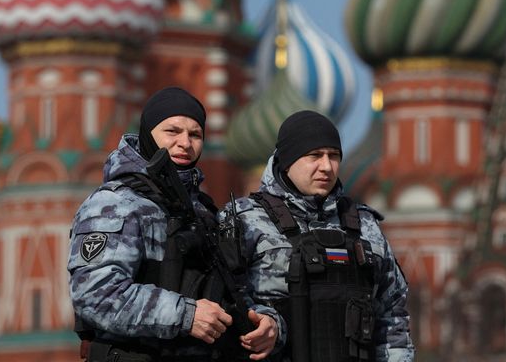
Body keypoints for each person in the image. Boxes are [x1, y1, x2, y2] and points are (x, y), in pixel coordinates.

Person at [68, 87, 280, 362]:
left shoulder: (202, 210)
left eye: (195, 135)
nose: (185, 143)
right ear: (148, 135)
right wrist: (185, 315)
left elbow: (228, 288)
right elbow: (95, 294)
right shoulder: (115, 204)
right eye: (172, 131)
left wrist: (267, 323)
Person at [222, 110, 415, 362]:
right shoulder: (243, 220)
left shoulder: (364, 225)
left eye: (333, 156)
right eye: (314, 155)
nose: (326, 166)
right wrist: (269, 324)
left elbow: (392, 314)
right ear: (288, 161)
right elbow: (224, 297)